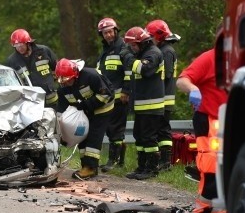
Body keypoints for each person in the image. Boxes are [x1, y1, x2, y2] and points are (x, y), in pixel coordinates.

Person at [176, 47, 229, 213]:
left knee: (228, 172)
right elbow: (182, 80)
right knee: (211, 168)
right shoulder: (209, 58)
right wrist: (193, 88)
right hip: (209, 120)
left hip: (231, 121)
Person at [55, 58, 114, 180]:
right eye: (62, 80)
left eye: (67, 79)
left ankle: (91, 168)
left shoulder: (90, 76)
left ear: (75, 75)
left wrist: (86, 105)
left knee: (94, 136)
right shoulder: (62, 88)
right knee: (81, 135)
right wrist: (59, 126)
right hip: (85, 111)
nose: (64, 83)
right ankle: (85, 166)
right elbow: (62, 108)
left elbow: (105, 95)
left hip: (103, 108)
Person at [122, 27, 165, 180]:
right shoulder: (142, 53)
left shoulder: (153, 53)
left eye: (133, 45)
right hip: (142, 105)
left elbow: (144, 69)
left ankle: (152, 169)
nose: (132, 48)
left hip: (151, 106)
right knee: (139, 137)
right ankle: (142, 167)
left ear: (142, 42)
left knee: (148, 138)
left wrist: (128, 57)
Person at [95, 17, 131, 171]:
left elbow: (129, 72)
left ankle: (114, 161)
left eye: (110, 32)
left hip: (119, 97)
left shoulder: (123, 48)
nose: (108, 35)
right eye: (105, 33)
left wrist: (126, 91)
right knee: (111, 129)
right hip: (108, 97)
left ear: (116, 31)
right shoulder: (106, 50)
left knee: (115, 129)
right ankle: (119, 161)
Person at [145, 19, 178, 171]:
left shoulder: (167, 51)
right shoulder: (164, 49)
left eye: (151, 36)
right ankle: (162, 161)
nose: (149, 40)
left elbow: (166, 75)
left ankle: (166, 161)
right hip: (162, 97)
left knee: (163, 129)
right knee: (160, 129)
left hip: (165, 98)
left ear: (159, 36)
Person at [5, 28, 59, 107]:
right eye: (16, 46)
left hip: (51, 100)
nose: (19, 48)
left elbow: (57, 69)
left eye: (21, 45)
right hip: (29, 103)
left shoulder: (44, 51)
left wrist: (50, 82)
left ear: (28, 43)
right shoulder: (12, 61)